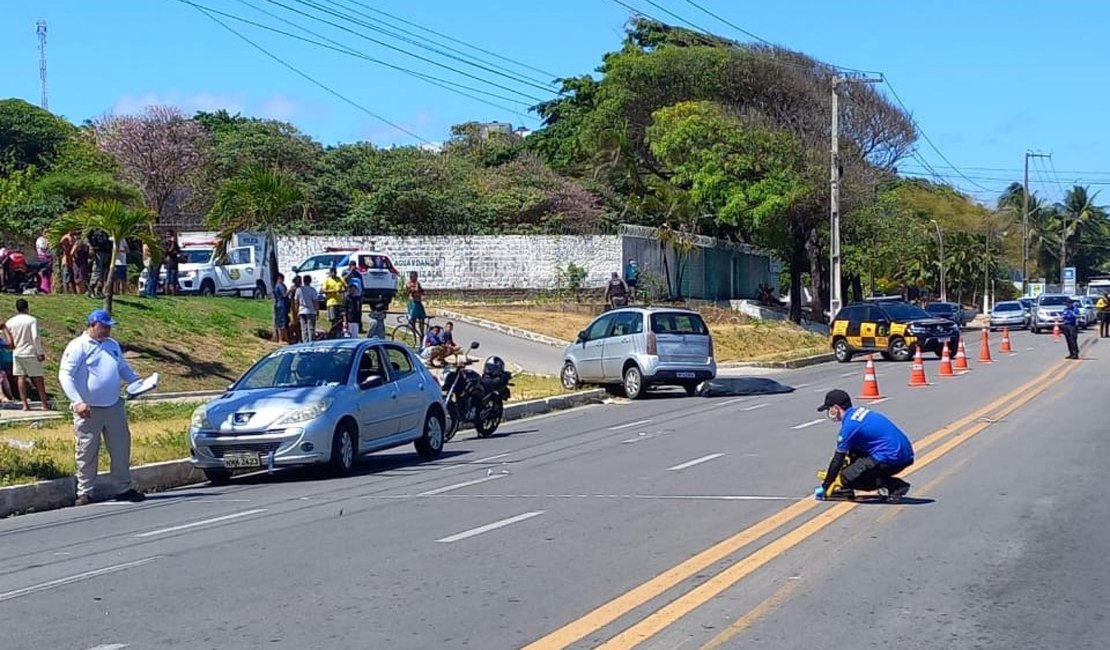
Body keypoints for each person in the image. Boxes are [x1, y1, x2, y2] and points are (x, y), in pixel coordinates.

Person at [58, 309, 146, 505]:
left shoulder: (112, 345)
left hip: (113, 405)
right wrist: (77, 401)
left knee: (121, 447)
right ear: (92, 325)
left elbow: (122, 367)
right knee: (87, 450)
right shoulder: (78, 346)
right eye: (104, 327)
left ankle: (123, 487)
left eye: (109, 327)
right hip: (88, 409)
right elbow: (65, 375)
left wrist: (136, 382)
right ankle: (85, 491)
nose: (107, 330)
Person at [814, 389, 914, 503]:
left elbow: (837, 460)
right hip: (904, 453)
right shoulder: (859, 413)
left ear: (836, 408)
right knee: (853, 454)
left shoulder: (849, 427)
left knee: (849, 478)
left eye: (829, 409)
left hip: (892, 457)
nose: (829, 412)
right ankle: (847, 488)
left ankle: (895, 486)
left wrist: (826, 485)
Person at [6, 299, 48, 411]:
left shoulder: (10, 322)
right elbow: (35, 337)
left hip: (17, 352)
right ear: (27, 308)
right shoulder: (32, 320)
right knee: (38, 378)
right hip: (30, 352)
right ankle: (44, 404)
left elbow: (6, 336)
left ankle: (25, 404)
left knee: (21, 378)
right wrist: (39, 352)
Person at [322, 267, 347, 332]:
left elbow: (346, 287)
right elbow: (323, 290)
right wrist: (332, 291)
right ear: (330, 273)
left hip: (339, 302)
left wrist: (342, 290)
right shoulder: (327, 280)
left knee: (340, 319)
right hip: (331, 302)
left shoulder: (340, 279)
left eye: (335, 272)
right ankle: (334, 332)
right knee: (333, 319)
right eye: (332, 272)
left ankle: (340, 331)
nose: (334, 274)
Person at [295, 275, 319, 342]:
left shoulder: (299, 290)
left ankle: (305, 342)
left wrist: (297, 311)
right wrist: (317, 310)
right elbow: (315, 301)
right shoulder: (312, 290)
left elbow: (296, 301)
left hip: (302, 311)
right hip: (311, 311)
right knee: (311, 328)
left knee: (303, 328)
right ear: (310, 281)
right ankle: (311, 342)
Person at [406, 271, 427, 342]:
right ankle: (414, 336)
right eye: (414, 277)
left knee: (422, 318)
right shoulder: (409, 284)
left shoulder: (418, 283)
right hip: (413, 303)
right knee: (413, 321)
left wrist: (421, 292)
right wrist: (417, 286)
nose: (416, 278)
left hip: (418, 303)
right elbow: (414, 291)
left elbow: (421, 291)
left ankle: (422, 334)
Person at [162, 230, 181, 296]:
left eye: (170, 235)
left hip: (174, 262)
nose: (169, 236)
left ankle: (174, 293)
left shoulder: (175, 243)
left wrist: (175, 251)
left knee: (174, 279)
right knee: (168, 279)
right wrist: (172, 243)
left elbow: (178, 250)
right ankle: (167, 292)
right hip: (168, 263)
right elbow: (168, 251)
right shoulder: (165, 243)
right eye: (168, 235)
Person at [273, 273, 289, 343]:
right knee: (281, 322)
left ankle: (285, 338)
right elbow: (284, 295)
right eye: (282, 279)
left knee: (283, 321)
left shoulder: (278, 286)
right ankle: (281, 338)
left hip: (279, 304)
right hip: (281, 305)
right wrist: (289, 291)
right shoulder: (280, 286)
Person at [287, 275, 302, 343]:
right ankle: (293, 336)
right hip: (293, 306)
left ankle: (299, 337)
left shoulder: (300, 288)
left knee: (299, 323)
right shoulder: (293, 288)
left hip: (299, 305)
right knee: (294, 322)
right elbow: (288, 294)